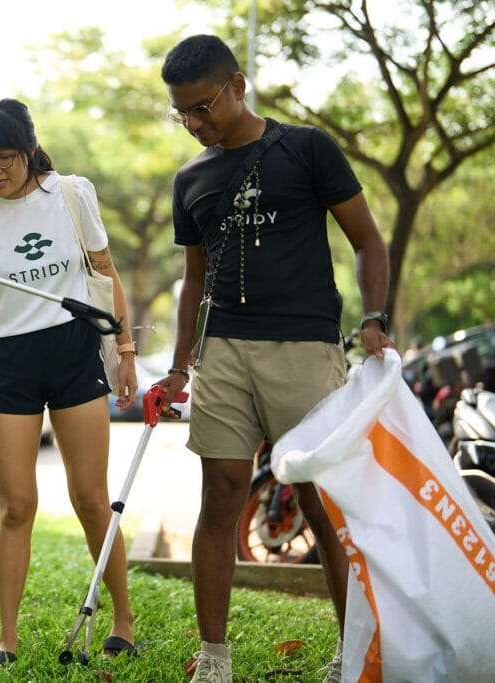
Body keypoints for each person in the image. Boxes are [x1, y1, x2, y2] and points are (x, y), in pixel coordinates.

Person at [156, 35, 396, 683]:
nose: (194, 123)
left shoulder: (307, 147)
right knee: (221, 495)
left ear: (237, 84)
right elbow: (194, 281)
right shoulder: (192, 178)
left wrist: (375, 319)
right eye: (182, 113)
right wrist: (180, 366)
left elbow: (368, 242)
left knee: (322, 501)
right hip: (224, 352)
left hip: (305, 345)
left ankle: (352, 651)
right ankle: (214, 659)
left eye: (203, 107)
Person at [0, 98, 139, 666]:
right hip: (10, 362)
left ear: (28, 149)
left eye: (3, 157)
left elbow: (104, 273)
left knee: (92, 498)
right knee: (16, 505)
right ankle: (7, 638)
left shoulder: (71, 194)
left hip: (72, 349)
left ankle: (122, 618)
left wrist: (123, 349)